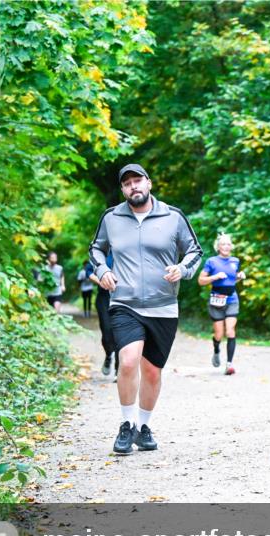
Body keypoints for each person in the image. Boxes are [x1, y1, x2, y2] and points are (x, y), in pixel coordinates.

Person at [88, 163, 203, 455]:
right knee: (127, 361)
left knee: (152, 371)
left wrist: (182, 269)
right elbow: (95, 249)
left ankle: (144, 426)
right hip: (124, 303)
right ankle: (126, 426)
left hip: (163, 305)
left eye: (137, 181)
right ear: (123, 190)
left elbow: (194, 251)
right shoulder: (111, 218)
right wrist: (102, 271)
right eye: (127, 184)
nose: (133, 187)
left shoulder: (173, 216)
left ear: (149, 183)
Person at [198, 233, 245, 375]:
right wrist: (215, 277)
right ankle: (216, 349)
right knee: (219, 333)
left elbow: (231, 281)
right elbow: (201, 281)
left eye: (228, 244)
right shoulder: (211, 261)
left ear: (231, 247)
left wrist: (239, 277)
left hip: (232, 299)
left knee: (230, 331)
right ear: (218, 247)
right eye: (223, 244)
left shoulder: (235, 261)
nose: (226, 246)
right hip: (216, 301)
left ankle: (229, 365)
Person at [90, 252, 118, 377]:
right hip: (104, 298)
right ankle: (108, 355)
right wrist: (101, 280)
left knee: (121, 333)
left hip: (123, 297)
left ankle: (119, 369)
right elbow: (88, 271)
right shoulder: (102, 252)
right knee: (107, 332)